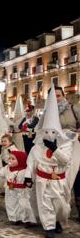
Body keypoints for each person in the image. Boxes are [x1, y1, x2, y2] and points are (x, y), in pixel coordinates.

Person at [25, 85, 75, 238]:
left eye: (53, 132)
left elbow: (65, 160)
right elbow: (31, 161)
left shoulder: (65, 144)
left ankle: (57, 220)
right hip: (42, 179)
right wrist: (28, 176)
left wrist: (54, 149)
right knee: (45, 203)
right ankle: (49, 227)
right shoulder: (38, 146)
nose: (49, 135)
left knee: (60, 205)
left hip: (58, 180)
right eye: (46, 132)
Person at [0, 151, 37, 226]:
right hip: (10, 190)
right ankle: (14, 218)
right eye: (9, 158)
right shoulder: (7, 168)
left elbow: (32, 178)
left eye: (13, 159)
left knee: (24, 205)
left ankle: (27, 220)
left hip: (22, 191)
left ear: (21, 160)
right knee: (11, 204)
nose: (10, 160)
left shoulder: (25, 171)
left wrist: (30, 183)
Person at [51, 86, 80, 223]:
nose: (56, 99)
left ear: (63, 96)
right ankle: (57, 217)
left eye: (58, 95)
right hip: (56, 148)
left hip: (74, 146)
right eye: (53, 96)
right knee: (59, 181)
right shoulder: (48, 112)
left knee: (76, 178)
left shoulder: (74, 109)